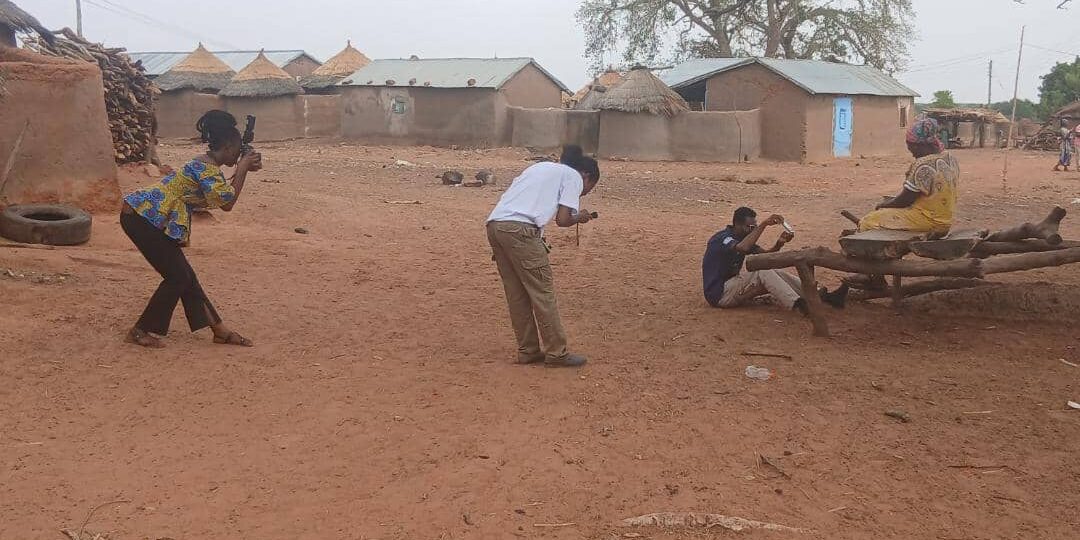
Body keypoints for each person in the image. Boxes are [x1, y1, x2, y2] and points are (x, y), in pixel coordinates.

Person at [120, 110, 262, 348]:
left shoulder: (206, 165)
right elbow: (227, 203)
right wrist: (244, 168)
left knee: (185, 276)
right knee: (177, 277)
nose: (239, 154)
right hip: (142, 218)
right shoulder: (205, 169)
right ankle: (140, 330)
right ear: (227, 146)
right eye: (238, 149)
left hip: (144, 216)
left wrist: (243, 168)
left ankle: (219, 330)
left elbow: (223, 192)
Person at [486, 145, 599, 368]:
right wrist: (581, 217)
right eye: (589, 188)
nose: (585, 192)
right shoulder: (573, 176)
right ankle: (557, 352)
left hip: (495, 225)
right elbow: (563, 219)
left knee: (517, 293)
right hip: (521, 230)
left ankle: (528, 350)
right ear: (586, 175)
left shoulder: (539, 168)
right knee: (542, 291)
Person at [702, 207, 847, 312]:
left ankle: (821, 295)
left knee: (771, 270)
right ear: (737, 224)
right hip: (719, 295)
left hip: (732, 287)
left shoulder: (742, 238)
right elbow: (743, 248)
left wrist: (779, 243)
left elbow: (765, 257)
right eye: (750, 227)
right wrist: (764, 225)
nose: (752, 229)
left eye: (755, 226)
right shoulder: (722, 238)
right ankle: (797, 304)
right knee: (763, 272)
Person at [858, 117, 960, 237]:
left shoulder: (923, 165)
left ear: (918, 145)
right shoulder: (950, 158)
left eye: (910, 146)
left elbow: (905, 200)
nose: (910, 151)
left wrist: (884, 206)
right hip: (945, 220)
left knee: (869, 220)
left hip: (928, 221)